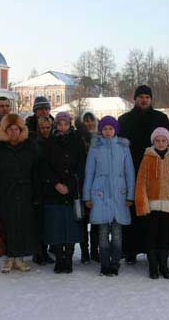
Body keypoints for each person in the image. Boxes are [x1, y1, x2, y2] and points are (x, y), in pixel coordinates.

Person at [118, 85, 169, 265]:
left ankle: (158, 249)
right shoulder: (124, 120)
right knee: (134, 211)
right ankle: (131, 249)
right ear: (135, 99)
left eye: (147, 97)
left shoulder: (161, 118)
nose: (144, 100)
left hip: (157, 172)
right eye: (140, 97)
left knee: (156, 213)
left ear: (151, 100)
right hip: (132, 171)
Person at [0, 114, 40, 273]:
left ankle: (19, 258)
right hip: (5, 192)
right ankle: (8, 258)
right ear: (5, 131)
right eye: (10, 129)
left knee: (23, 224)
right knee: (6, 225)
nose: (14, 132)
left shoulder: (29, 146)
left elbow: (35, 171)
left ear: (22, 130)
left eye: (17, 129)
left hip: (25, 191)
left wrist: (36, 193)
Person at [83, 116, 135, 276]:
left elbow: (129, 172)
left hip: (119, 194)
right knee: (103, 233)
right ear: (101, 130)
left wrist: (130, 196)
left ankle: (115, 263)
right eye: (104, 129)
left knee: (118, 234)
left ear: (115, 130)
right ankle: (105, 264)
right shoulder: (95, 148)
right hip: (100, 194)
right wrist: (87, 196)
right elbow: (89, 173)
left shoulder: (123, 148)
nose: (107, 132)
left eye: (110, 129)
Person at [135, 127, 169, 279]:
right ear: (153, 142)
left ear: (168, 141)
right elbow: (141, 183)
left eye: (163, 140)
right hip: (152, 205)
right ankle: (152, 266)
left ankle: (164, 266)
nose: (160, 143)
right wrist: (142, 203)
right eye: (157, 141)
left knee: (165, 237)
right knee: (151, 236)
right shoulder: (147, 159)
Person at [41, 112, 86, 274]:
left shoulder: (77, 140)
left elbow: (82, 165)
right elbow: (44, 166)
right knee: (56, 226)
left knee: (71, 226)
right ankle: (59, 258)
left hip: (72, 191)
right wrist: (56, 184)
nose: (62, 127)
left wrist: (71, 185)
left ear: (70, 124)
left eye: (65, 124)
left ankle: (69, 258)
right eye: (59, 124)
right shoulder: (50, 142)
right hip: (54, 191)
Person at [76, 111, 100, 264]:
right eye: (86, 121)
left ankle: (95, 251)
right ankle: (84, 251)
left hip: (98, 185)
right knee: (83, 221)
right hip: (81, 183)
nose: (90, 124)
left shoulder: (101, 139)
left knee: (97, 220)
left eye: (92, 121)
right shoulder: (78, 139)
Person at [32, 116, 56, 265]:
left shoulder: (54, 142)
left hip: (52, 187)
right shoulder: (34, 144)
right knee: (39, 222)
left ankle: (45, 250)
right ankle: (39, 252)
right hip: (39, 186)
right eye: (42, 128)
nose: (45, 130)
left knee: (49, 222)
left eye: (48, 127)